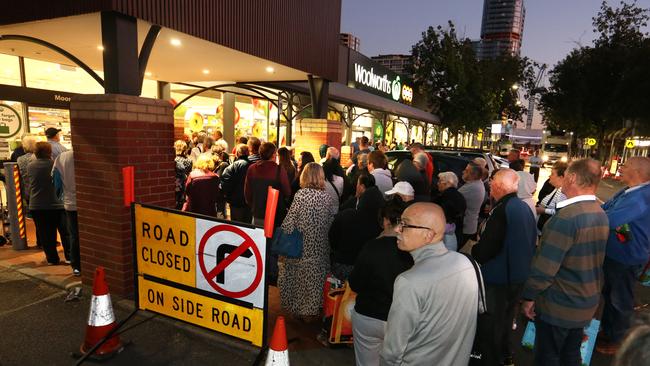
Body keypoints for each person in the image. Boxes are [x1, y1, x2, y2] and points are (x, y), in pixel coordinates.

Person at [521, 158, 610, 365]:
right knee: (571, 354)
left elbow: (544, 269)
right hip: (585, 301)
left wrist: (529, 297)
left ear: (571, 178)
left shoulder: (566, 218)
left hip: (560, 304)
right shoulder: (600, 212)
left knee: (548, 357)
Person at [381, 203, 479, 366]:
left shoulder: (409, 282)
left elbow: (392, 351)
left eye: (404, 224)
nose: (397, 229)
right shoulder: (467, 263)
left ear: (428, 235)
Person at [471, 168, 537, 366]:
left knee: (490, 326)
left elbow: (487, 249)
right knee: (506, 322)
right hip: (516, 277)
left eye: (492, 182)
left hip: (499, 280)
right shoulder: (523, 206)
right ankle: (505, 357)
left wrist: (475, 251)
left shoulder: (504, 209)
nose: (490, 185)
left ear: (498, 185)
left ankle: (490, 360)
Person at [348, 199, 414, 366]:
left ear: (385, 221)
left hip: (368, 315)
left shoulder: (372, 247)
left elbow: (355, 283)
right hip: (400, 320)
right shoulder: (414, 250)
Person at [597, 156, 650, 355]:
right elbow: (605, 209)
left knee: (620, 299)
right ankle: (609, 331)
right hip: (617, 254)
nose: (620, 168)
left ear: (637, 172)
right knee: (610, 296)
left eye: (625, 166)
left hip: (626, 256)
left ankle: (619, 340)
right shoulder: (629, 191)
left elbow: (611, 219)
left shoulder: (641, 196)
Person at [278, 163, 337, 321]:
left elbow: (289, 223)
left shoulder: (301, 195)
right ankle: (310, 311)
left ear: (305, 176)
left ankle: (298, 310)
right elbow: (331, 221)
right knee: (315, 279)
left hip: (301, 247)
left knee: (298, 279)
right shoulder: (327, 197)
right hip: (320, 247)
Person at [330, 174, 385, 280]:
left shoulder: (346, 215)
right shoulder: (381, 223)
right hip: (367, 269)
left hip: (343, 265)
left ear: (361, 187)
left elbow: (333, 238)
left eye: (357, 184)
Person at [28, 142, 70, 265]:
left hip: (38, 205)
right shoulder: (55, 164)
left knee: (46, 234)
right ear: (49, 152)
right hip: (58, 204)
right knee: (65, 232)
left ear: (36, 152)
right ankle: (69, 257)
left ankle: (52, 259)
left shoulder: (31, 166)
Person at [244, 142, 291, 226]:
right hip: (275, 215)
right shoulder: (279, 170)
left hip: (258, 213)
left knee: (257, 238)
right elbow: (287, 192)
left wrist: (254, 205)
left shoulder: (252, 168)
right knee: (274, 238)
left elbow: (247, 193)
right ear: (273, 155)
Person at [52, 150, 80, 276]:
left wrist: (61, 196)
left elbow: (56, 183)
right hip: (89, 203)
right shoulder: (88, 154)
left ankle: (76, 265)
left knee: (75, 236)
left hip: (70, 203)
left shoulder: (61, 157)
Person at [432, 171, 466, 252]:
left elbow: (441, 217)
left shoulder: (445, 197)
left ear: (446, 183)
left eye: (440, 181)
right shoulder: (459, 196)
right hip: (455, 233)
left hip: (444, 237)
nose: (437, 183)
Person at [220, 144, 252, 224]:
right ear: (248, 153)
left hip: (235, 203)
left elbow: (225, 182)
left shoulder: (232, 167)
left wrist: (228, 197)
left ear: (237, 153)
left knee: (236, 227)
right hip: (249, 203)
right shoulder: (253, 166)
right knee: (248, 228)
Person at [458, 162, 486, 250]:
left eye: (466, 171)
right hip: (469, 225)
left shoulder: (473, 187)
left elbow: (454, 197)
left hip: (466, 226)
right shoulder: (476, 184)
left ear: (472, 174)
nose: (463, 172)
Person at [535, 162, 568, 232]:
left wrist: (543, 210)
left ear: (561, 177)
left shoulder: (562, 192)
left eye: (552, 174)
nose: (549, 176)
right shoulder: (557, 189)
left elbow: (560, 212)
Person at [174, 140, 193, 209]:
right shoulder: (189, 160)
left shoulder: (174, 160)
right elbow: (189, 173)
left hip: (174, 184)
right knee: (182, 204)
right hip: (184, 184)